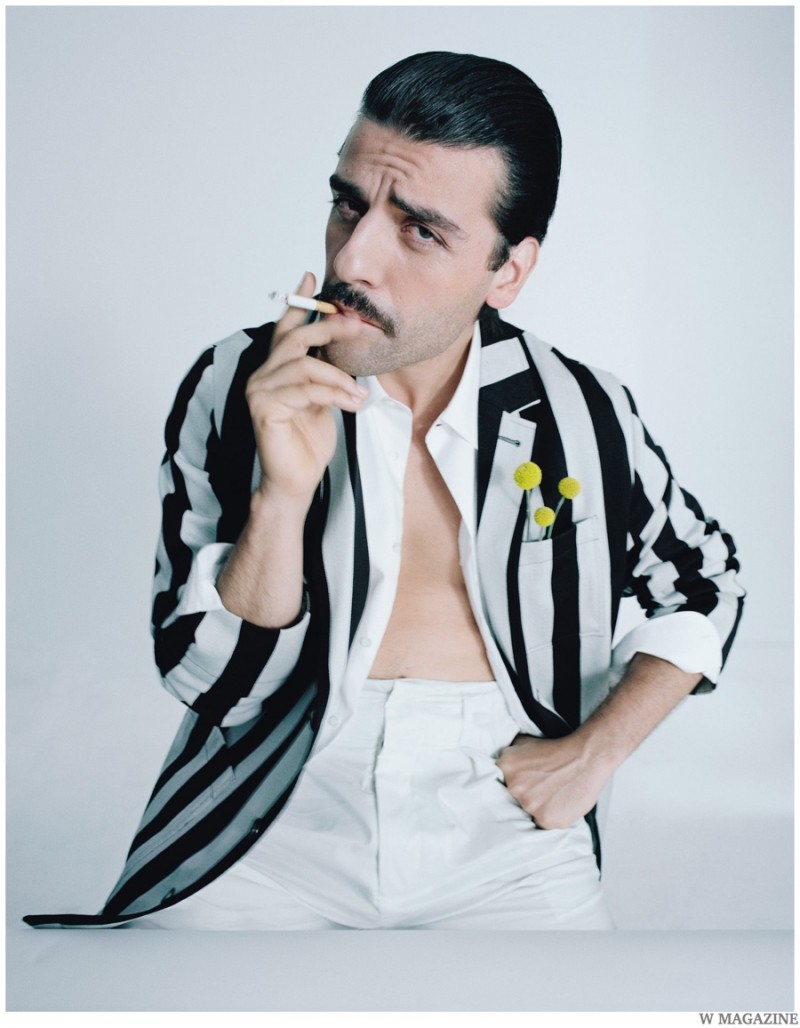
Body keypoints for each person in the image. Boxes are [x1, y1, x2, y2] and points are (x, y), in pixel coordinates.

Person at [25, 51, 744, 931]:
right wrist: (282, 495)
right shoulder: (237, 382)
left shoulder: (580, 410)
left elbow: (705, 584)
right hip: (264, 820)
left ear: (508, 271)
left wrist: (595, 754)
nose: (355, 257)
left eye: (421, 231)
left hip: (508, 840)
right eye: (348, 205)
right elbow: (209, 683)